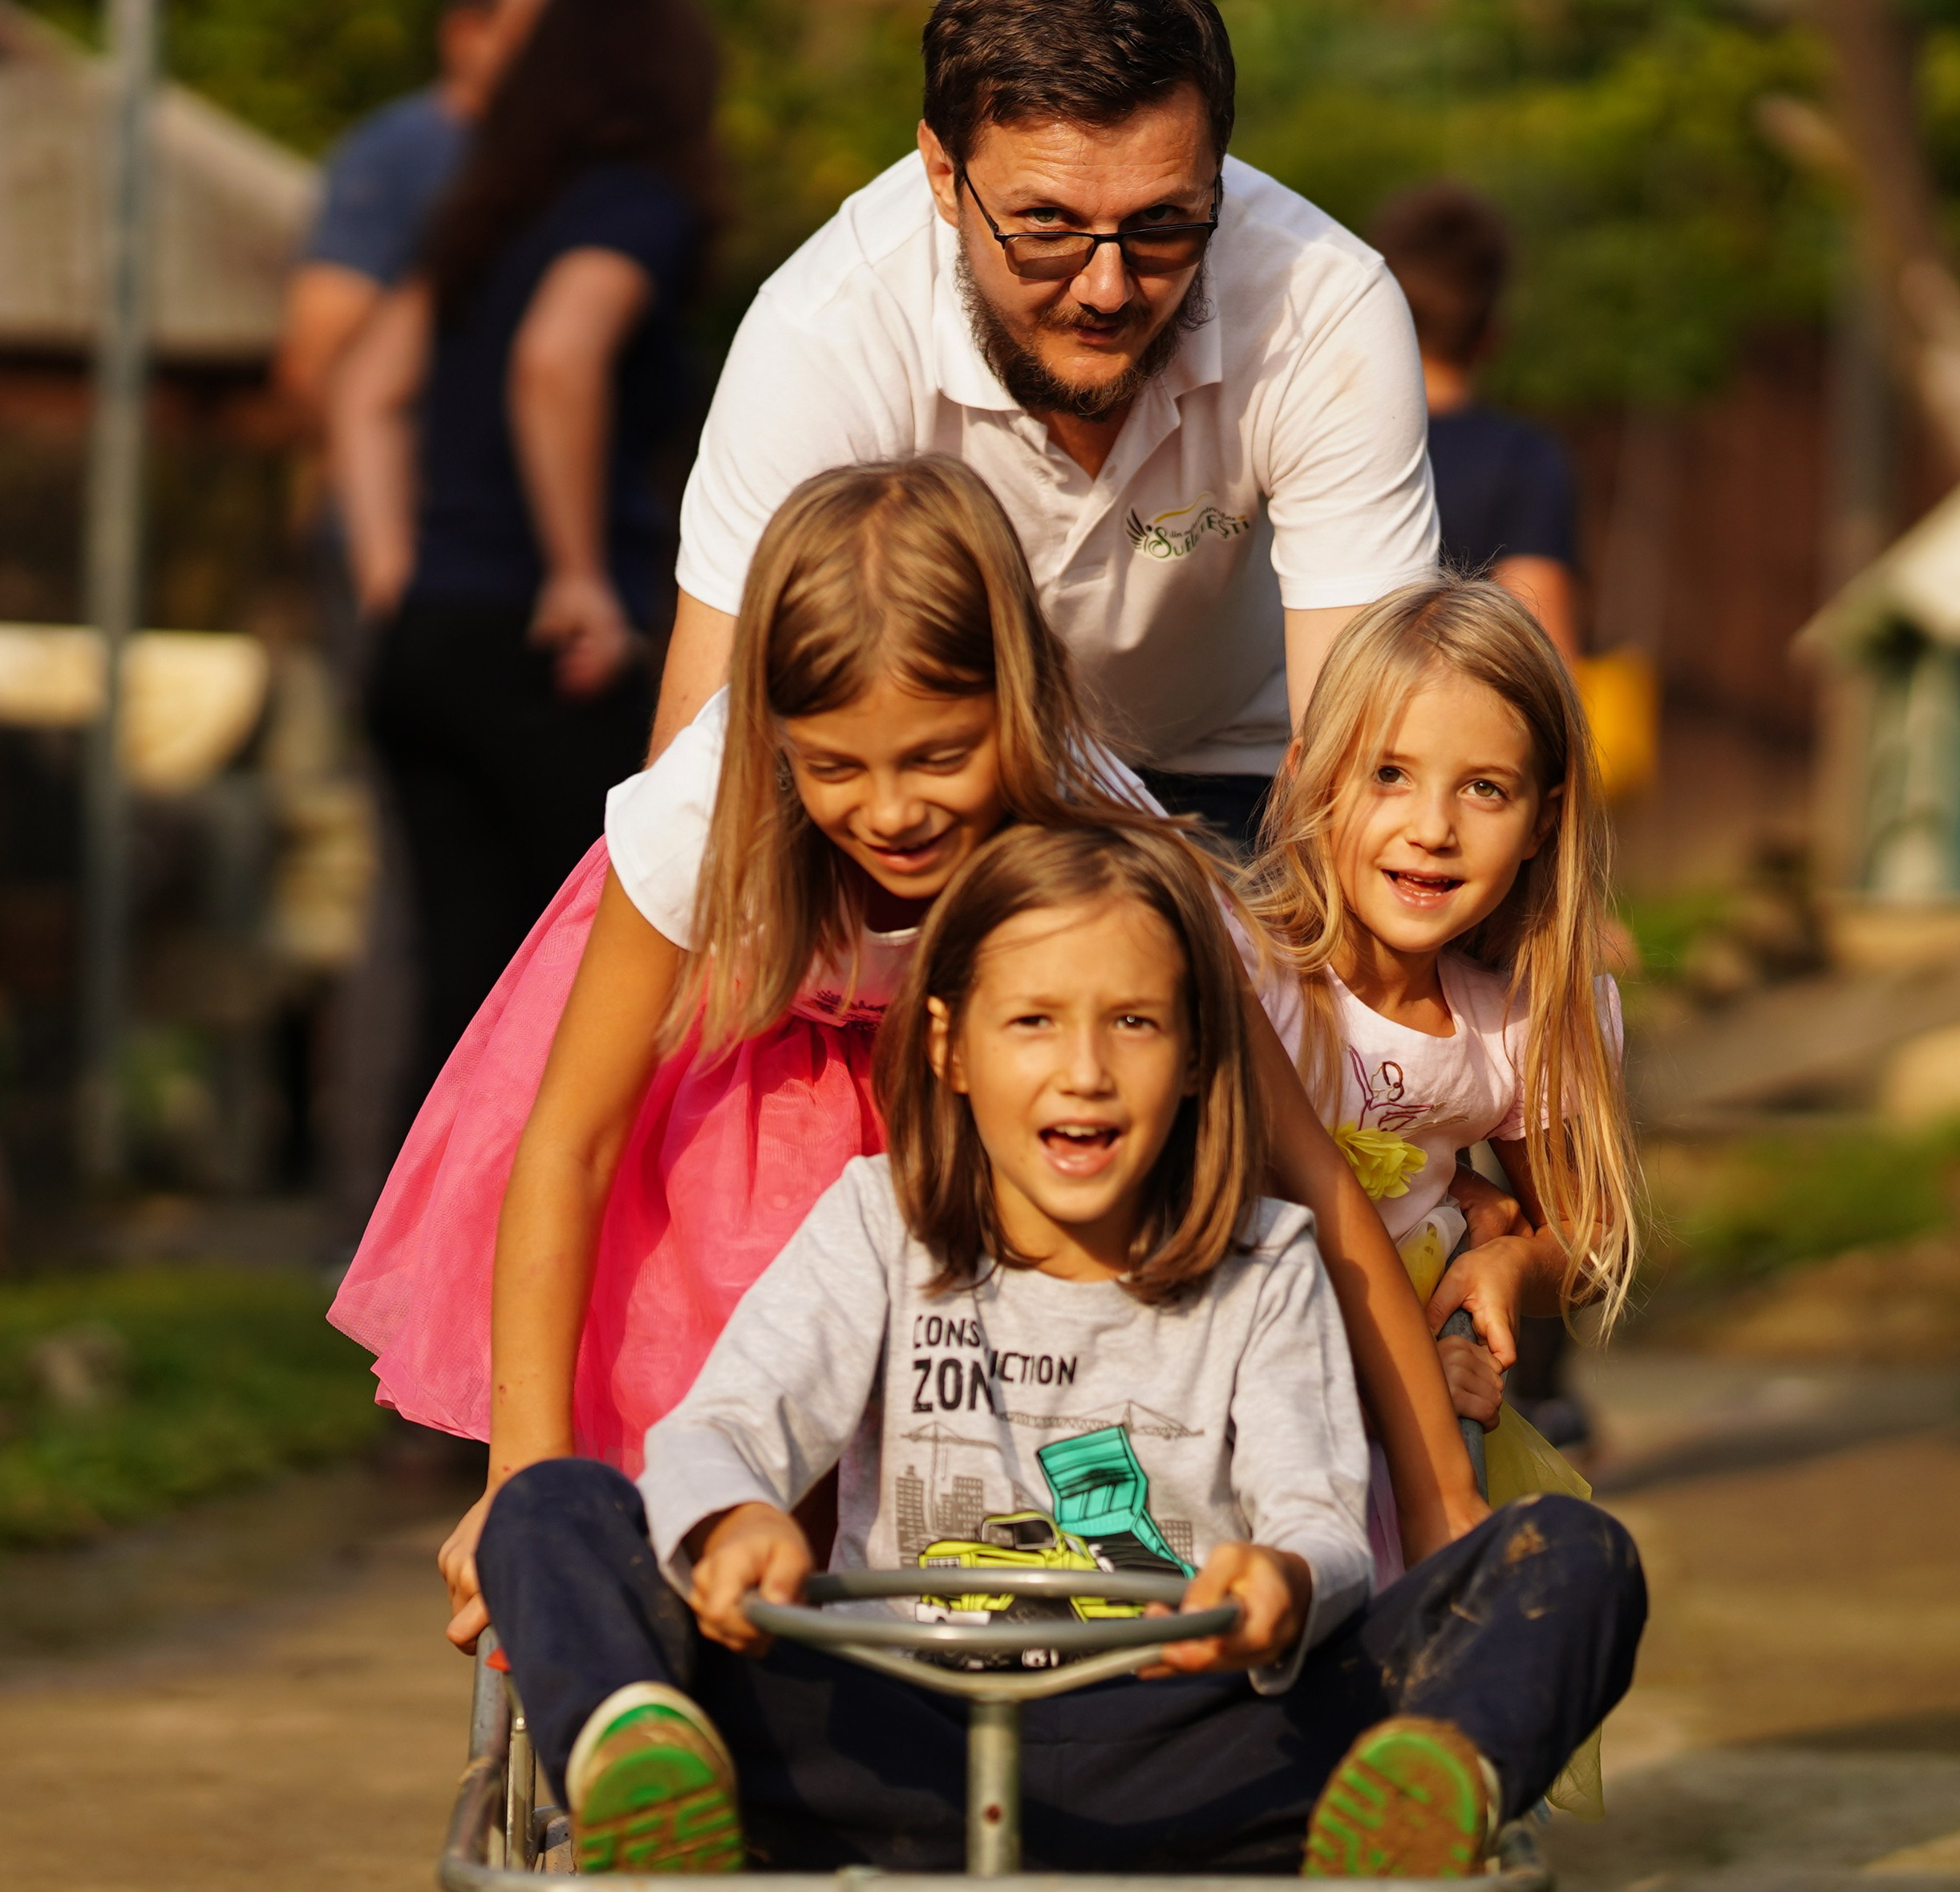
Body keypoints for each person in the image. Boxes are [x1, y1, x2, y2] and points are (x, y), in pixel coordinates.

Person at [474, 819, 1646, 1892]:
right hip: (896, 1784)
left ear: (1200, 1054)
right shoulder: (881, 1226)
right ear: (951, 1048)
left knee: (1573, 1557)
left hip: (1187, 1793)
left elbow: (1317, 1503)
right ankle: (675, 1887)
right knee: (550, 1506)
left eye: (1133, 1024)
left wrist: (1287, 1581)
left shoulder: (1267, 1265)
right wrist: (733, 1521)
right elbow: (719, 1431)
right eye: (1033, 1021)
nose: (1083, 1070)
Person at [330, 460, 1482, 1643]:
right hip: (743, 1097)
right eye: (837, 766)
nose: (889, 811)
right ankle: (700, 1668)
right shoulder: (703, 815)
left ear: (1015, 704)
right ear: (781, 738)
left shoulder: (1082, 821)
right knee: (747, 1343)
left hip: (976, 1091)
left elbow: (1304, 1163)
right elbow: (568, 1145)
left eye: (938, 758)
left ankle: (938, 1676)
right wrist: (521, 1477)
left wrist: (1442, 1489)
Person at [646, 0, 1443, 852]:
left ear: (1217, 175)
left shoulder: (1324, 303)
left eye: (1161, 224)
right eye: (1046, 225)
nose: (1106, 288)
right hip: (954, 783)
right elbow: (703, 767)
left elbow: (1371, 748)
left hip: (1237, 766)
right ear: (943, 175)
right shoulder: (826, 325)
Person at [329, 0, 722, 1115]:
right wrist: (578, 575)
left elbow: (363, 395)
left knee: (461, 987)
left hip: (434, 636)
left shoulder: (488, 213)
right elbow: (559, 353)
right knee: (590, 977)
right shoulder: (637, 204)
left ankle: (410, 1287)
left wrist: (397, 575)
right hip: (548, 643)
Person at [1243, 577, 1641, 1416]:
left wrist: (1512, 1263)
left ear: (1542, 821)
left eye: (1484, 789)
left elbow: (1585, 1233)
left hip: (1415, 1408)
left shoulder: (1515, 1022)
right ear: (1314, 777)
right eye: (1389, 773)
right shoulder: (1242, 976)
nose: (1432, 828)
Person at [274, 0, 569, 423]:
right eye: (537, 32)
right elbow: (315, 361)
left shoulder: (581, 164)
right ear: (464, 34)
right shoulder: (398, 154)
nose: (565, 55)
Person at [1368, 184, 1582, 669]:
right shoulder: (1524, 457)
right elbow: (1544, 647)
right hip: (1451, 732)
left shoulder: (1323, 436)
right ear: (1491, 336)